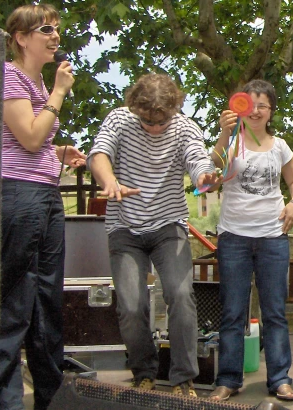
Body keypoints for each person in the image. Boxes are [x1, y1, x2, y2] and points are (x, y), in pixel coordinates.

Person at [87, 73, 221, 398]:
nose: (154, 128)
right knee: (131, 307)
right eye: (147, 121)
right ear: (135, 107)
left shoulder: (186, 127)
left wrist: (207, 178)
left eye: (161, 122)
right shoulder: (119, 119)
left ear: (173, 109)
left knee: (180, 295)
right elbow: (99, 154)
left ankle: (183, 380)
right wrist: (109, 181)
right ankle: (143, 373)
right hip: (124, 227)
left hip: (168, 226)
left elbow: (198, 163)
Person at [0, 3, 86, 409]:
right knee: (16, 300)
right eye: (45, 29)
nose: (55, 36)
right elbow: (29, 138)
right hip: (19, 195)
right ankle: (4, 398)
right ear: (20, 37)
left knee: (47, 299)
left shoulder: (33, 84)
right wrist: (60, 91)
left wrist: (59, 151)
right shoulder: (10, 75)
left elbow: (36, 143)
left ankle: (50, 399)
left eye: (57, 30)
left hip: (45, 194)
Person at [210, 79, 293, 403]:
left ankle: (280, 379)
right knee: (232, 312)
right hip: (233, 236)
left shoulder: (280, 146)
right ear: (240, 108)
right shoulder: (233, 141)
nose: (256, 110)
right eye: (249, 104)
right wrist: (224, 132)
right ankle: (228, 380)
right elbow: (212, 172)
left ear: (270, 111)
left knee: (275, 312)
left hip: (272, 237)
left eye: (262, 104)